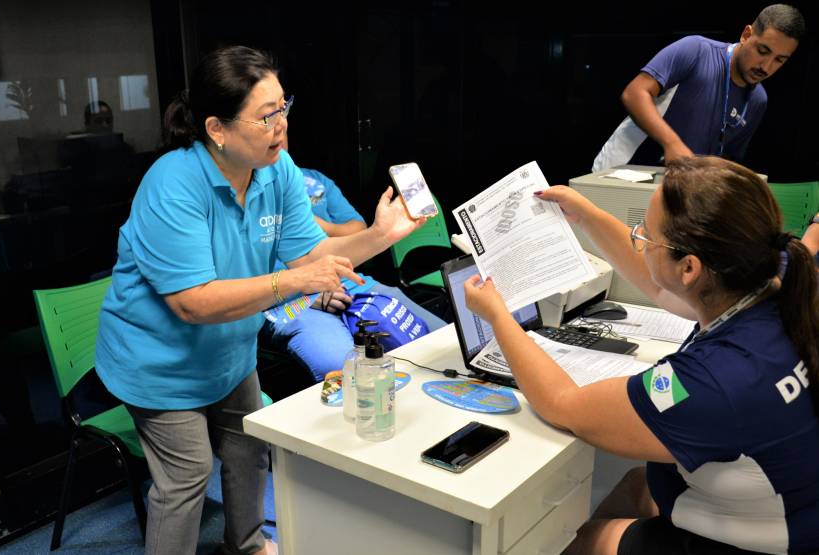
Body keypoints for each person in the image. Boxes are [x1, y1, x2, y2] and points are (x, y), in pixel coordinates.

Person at [94, 46, 422, 555]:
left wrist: (381, 235)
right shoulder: (173, 184)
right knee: (188, 476)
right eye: (266, 116)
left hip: (229, 351)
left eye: (283, 108)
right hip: (160, 361)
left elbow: (312, 254)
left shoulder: (277, 170)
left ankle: (245, 546)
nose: (281, 126)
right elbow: (193, 302)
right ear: (217, 129)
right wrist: (292, 284)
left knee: (249, 449)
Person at [464, 156, 819, 554]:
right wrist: (589, 216)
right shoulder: (777, 276)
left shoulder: (713, 382)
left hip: (766, 542)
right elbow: (661, 289)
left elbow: (563, 405)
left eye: (645, 237)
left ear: (690, 268)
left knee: (586, 542)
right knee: (638, 483)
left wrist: (497, 314)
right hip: (793, 507)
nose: (639, 241)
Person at [259, 134, 447, 381]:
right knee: (347, 374)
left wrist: (380, 234)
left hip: (348, 284)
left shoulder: (311, 181)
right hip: (289, 303)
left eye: (282, 114)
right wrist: (304, 291)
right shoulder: (245, 198)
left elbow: (343, 237)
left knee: (444, 343)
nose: (278, 130)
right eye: (266, 117)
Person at [592, 4, 805, 171]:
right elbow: (634, 93)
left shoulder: (758, 100)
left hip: (680, 194)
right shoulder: (695, 50)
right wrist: (672, 144)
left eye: (780, 60)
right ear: (746, 35)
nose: (766, 66)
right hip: (626, 171)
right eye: (763, 50)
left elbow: (730, 157)